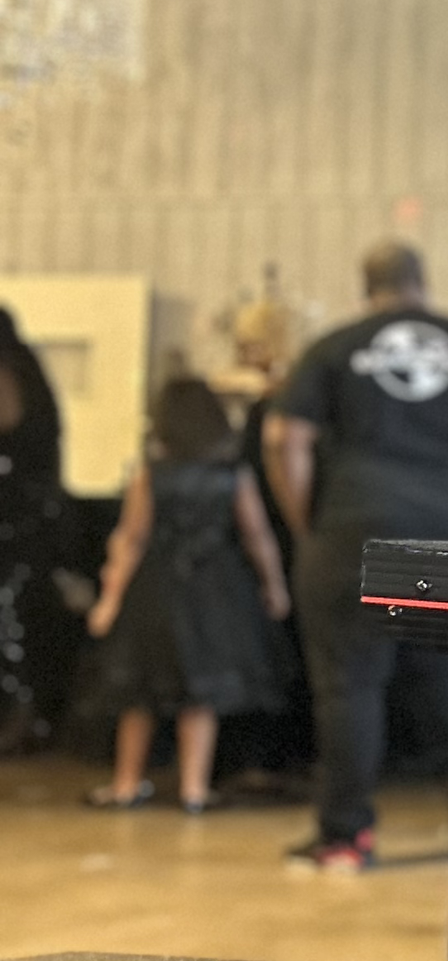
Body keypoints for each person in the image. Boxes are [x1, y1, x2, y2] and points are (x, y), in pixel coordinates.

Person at [265, 240, 448, 873]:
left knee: (350, 684)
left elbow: (285, 438)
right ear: (423, 280)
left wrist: (307, 521)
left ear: (367, 285)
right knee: (442, 664)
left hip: (355, 524)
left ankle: (346, 836)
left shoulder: (333, 346)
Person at [84, 375, 290, 813]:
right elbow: (257, 537)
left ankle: (125, 784)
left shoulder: (151, 474)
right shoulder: (232, 474)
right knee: (201, 692)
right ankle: (194, 789)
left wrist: (110, 597)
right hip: (216, 589)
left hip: (157, 587)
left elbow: (131, 539)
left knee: (138, 690)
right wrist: (274, 586)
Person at [0, 304, 68, 749]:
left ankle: (19, 713)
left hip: (13, 518)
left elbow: (7, 417)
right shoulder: (27, 367)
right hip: (31, 515)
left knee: (11, 618)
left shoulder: (10, 369)